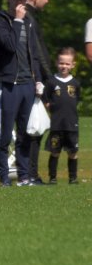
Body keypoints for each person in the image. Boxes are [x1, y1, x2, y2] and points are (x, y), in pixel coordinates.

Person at [0, 0, 43, 187]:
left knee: (25, 133)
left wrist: (38, 78)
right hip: (9, 84)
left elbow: (34, 53)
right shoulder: (0, 20)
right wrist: (18, 21)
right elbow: (10, 45)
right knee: (5, 134)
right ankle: (4, 176)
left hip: (27, 84)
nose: (19, 2)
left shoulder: (28, 22)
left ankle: (23, 176)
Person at [25, 0, 50, 184]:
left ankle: (28, 173)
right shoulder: (28, 18)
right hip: (33, 81)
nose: (47, 1)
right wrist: (49, 79)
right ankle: (30, 174)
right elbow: (38, 54)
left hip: (31, 80)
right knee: (34, 128)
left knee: (34, 127)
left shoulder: (30, 17)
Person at [44, 47, 81, 185]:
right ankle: (52, 178)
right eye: (61, 63)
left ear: (73, 65)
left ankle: (73, 178)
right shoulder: (51, 82)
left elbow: (77, 99)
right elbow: (46, 101)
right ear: (56, 63)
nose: (64, 66)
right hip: (56, 124)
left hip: (71, 124)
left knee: (73, 152)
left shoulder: (75, 83)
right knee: (55, 152)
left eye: (67, 64)